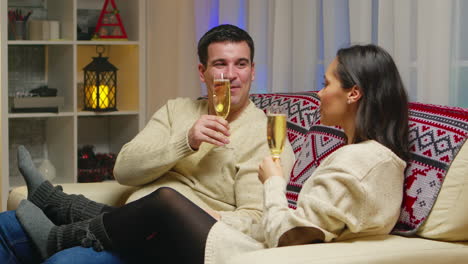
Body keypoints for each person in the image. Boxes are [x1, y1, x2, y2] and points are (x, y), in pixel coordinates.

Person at [0, 24, 295, 263]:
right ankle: (64, 212)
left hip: (174, 242)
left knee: (66, 262)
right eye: (220, 64)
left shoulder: (264, 135)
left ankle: (62, 212)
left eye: (240, 64)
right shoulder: (176, 110)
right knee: (6, 225)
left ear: (253, 71)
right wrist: (185, 142)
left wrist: (195, 215)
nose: (231, 75)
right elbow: (124, 170)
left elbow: (258, 220)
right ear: (202, 71)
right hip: (124, 226)